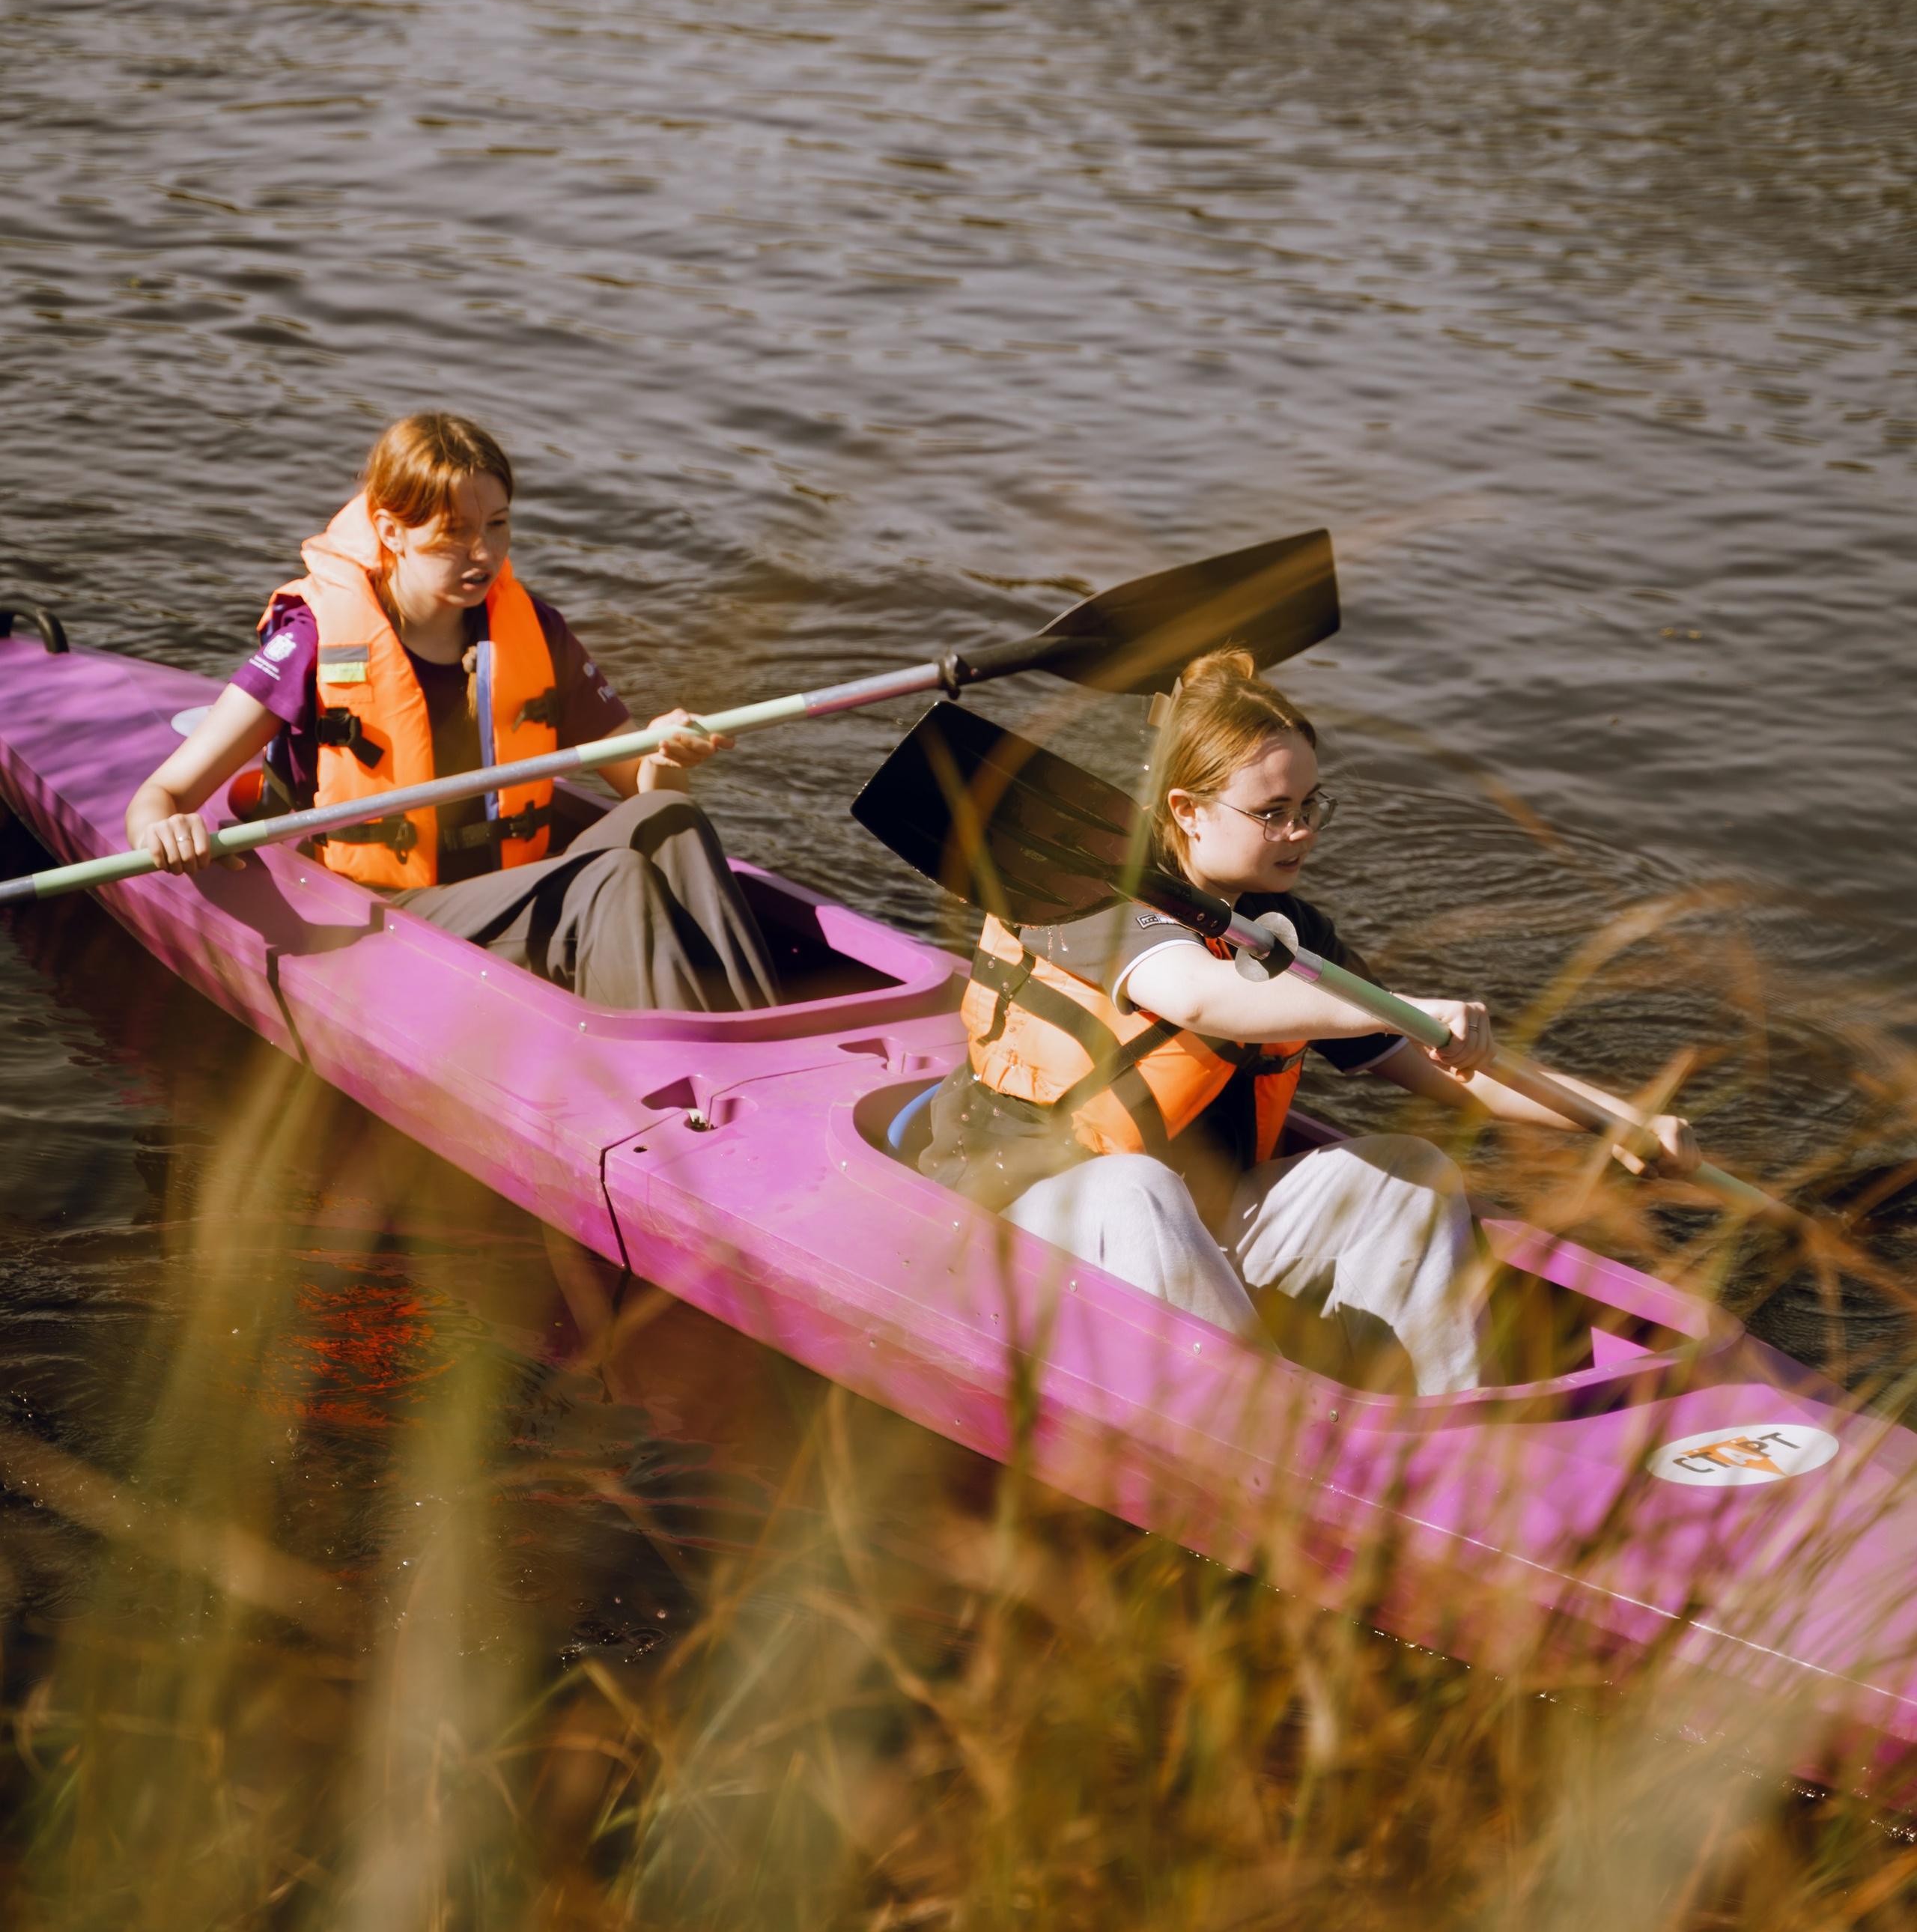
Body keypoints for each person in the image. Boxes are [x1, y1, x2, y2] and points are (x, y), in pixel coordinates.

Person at [919, 648, 1696, 1395]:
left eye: (1309, 806)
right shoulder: (1083, 892)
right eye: (1272, 813)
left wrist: (1619, 1122)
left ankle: (1445, 1429)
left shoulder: (1290, 930)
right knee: (1137, 1191)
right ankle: (1266, 1440)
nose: (1301, 832)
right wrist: (1394, 1009)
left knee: (1408, 1169)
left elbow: (1449, 1068)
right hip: (1022, 1219)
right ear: (1188, 812)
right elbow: (1200, 997)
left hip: (1198, 1225)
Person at [123, 412, 777, 1017]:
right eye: (455, 533)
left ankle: (754, 1031)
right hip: (388, 911)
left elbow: (644, 787)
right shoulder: (316, 640)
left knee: (672, 818)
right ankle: (680, 1059)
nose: (484, 553)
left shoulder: (536, 631)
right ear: (392, 532)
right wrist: (164, 831)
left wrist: (662, 756)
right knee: (614, 880)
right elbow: (162, 795)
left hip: (509, 885)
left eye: (497, 525)